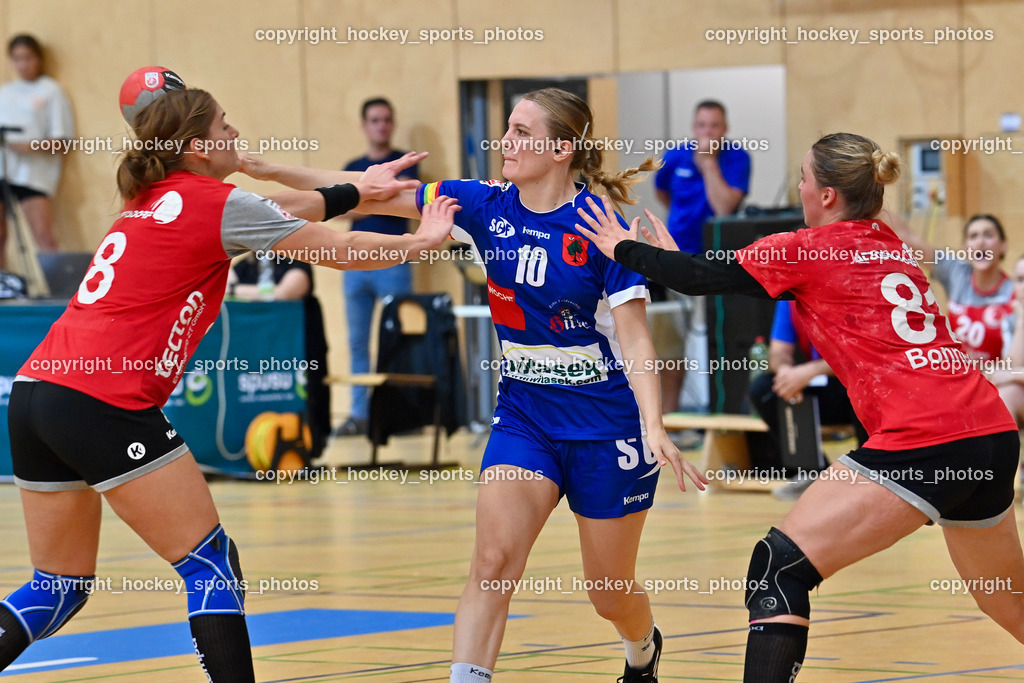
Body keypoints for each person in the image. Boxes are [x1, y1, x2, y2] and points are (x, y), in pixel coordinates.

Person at [241, 87, 709, 683]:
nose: (504, 141)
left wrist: (654, 425)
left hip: (606, 426)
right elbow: (369, 190)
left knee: (609, 593)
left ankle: (642, 648)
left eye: (521, 132)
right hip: (526, 418)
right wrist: (264, 176)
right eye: (507, 128)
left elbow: (638, 341)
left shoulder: (602, 228)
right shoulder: (483, 204)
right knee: (491, 564)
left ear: (561, 150)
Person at [0, 88, 456, 681]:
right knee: (209, 563)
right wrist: (419, 243)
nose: (234, 132)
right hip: (101, 399)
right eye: (223, 125)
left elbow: (278, 209)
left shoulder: (150, 197)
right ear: (197, 146)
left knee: (57, 586)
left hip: (36, 392)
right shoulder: (214, 203)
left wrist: (357, 191)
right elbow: (339, 249)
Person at [576, 132, 1024, 681]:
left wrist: (622, 248)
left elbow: (699, 279)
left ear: (827, 195)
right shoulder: (887, 243)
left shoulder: (808, 248)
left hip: (926, 438)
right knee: (1010, 603)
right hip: (990, 431)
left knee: (777, 568)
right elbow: (704, 272)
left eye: (804, 179)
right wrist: (675, 261)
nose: (799, 188)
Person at [652, 100, 751, 415]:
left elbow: (725, 207)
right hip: (678, 257)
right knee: (670, 343)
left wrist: (708, 165)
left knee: (722, 339)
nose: (707, 132)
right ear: (694, 127)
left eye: (714, 126)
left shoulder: (737, 158)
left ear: (725, 129)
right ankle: (668, 419)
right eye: (702, 125)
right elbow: (662, 193)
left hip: (719, 262)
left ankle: (724, 411)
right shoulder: (675, 156)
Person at [336, 97, 419, 436]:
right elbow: (337, 210)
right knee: (357, 342)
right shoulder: (353, 166)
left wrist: (361, 200)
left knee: (396, 339)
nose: (381, 126)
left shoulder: (404, 164)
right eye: (374, 120)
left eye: (386, 119)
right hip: (354, 263)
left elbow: (403, 202)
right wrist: (374, 199)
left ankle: (399, 416)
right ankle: (360, 415)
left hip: (392, 262)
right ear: (364, 125)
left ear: (393, 123)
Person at [747, 300, 867, 499]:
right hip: (825, 387)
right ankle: (815, 473)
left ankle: (872, 477)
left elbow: (860, 355)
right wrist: (786, 373)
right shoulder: (789, 299)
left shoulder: (848, 293)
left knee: (862, 386)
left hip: (857, 382)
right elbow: (778, 352)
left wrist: (809, 372)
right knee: (765, 389)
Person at [228, 253, 331, 459]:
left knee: (309, 394)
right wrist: (233, 287)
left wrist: (236, 289)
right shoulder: (245, 266)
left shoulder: (296, 262)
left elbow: (284, 292)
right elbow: (222, 288)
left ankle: (309, 444)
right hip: (257, 350)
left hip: (297, 350)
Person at [892, 213, 1013, 362]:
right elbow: (909, 239)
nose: (980, 242)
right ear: (965, 248)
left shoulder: (1015, 293)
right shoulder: (956, 273)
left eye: (988, 235)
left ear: (1003, 246)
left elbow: (1016, 366)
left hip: (997, 374)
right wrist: (874, 202)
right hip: (959, 371)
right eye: (973, 236)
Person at [0, 34, 73, 270]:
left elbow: (62, 141)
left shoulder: (50, 91)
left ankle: (56, 288)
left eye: (28, 58)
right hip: (3, 169)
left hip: (33, 174)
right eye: (17, 59)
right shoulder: (4, 92)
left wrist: (28, 146)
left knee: (44, 237)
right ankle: (4, 284)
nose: (23, 64)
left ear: (39, 59)